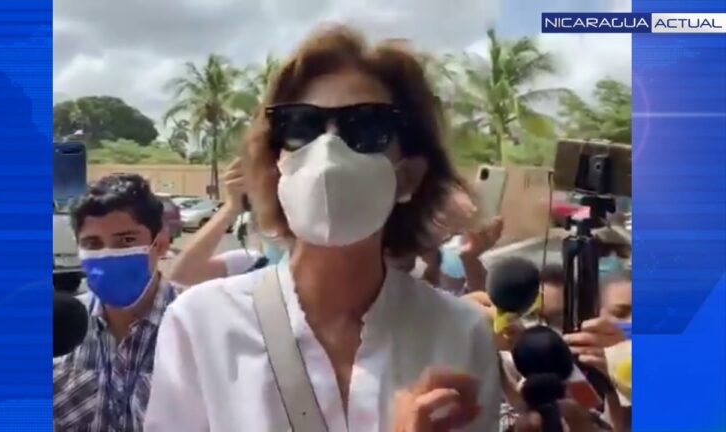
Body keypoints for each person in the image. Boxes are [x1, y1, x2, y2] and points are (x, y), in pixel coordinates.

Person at [144, 25, 501, 432]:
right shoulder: (201, 324)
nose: (328, 150)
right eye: (301, 126)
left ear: (408, 177)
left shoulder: (459, 335)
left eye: (367, 128)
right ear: (275, 164)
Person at [53, 174, 176, 431]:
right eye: (92, 243)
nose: (108, 254)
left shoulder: (195, 326)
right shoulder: (60, 326)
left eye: (126, 241)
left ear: (161, 243)